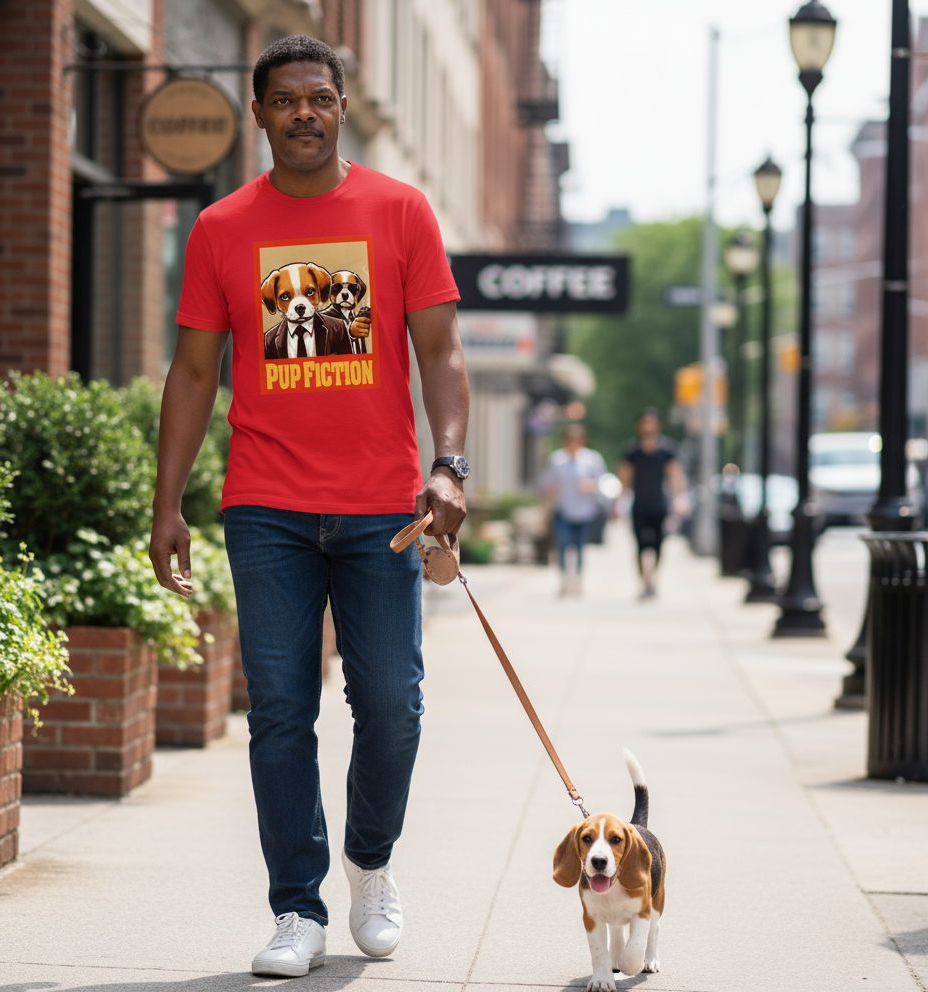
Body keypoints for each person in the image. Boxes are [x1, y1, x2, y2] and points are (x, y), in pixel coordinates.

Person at [147, 35, 469, 979]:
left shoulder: (399, 211)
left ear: (340, 104)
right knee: (281, 712)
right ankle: (298, 907)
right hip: (267, 507)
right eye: (284, 100)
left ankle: (370, 862)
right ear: (258, 114)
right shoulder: (222, 228)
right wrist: (167, 504)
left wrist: (449, 464)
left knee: (392, 707)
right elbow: (194, 371)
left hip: (381, 509)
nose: (302, 113)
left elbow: (442, 353)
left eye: (318, 98)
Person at [618, 409, 687, 599]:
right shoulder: (632, 450)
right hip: (639, 504)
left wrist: (680, 498)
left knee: (658, 546)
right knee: (640, 546)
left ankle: (652, 579)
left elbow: (675, 475)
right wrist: (619, 503)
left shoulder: (667, 450)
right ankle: (644, 582)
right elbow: (625, 477)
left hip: (659, 505)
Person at [540, 424, 606, 595]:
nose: (573, 443)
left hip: (585, 511)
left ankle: (577, 580)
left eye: (577, 439)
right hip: (563, 510)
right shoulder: (557, 460)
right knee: (562, 546)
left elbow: (603, 483)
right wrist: (545, 510)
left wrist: (591, 486)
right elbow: (547, 485)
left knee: (579, 549)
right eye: (570, 439)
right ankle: (563, 580)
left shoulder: (593, 459)